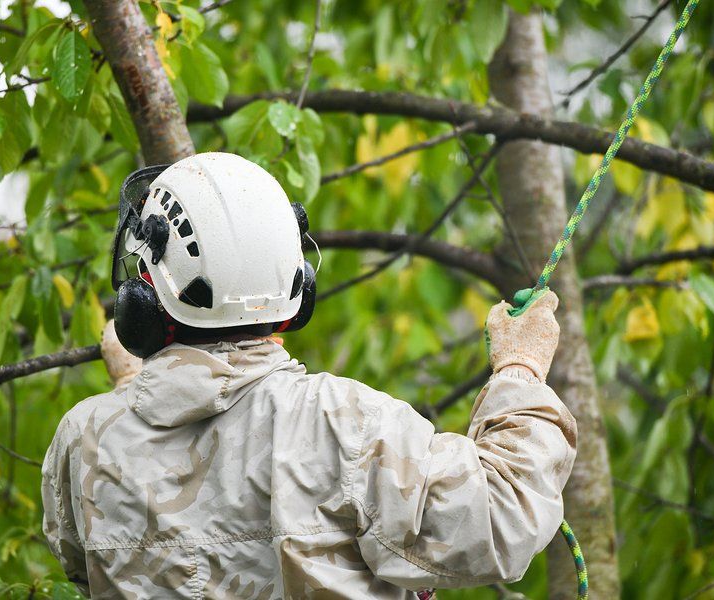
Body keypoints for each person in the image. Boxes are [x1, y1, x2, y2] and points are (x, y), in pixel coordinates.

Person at [41, 152, 577, 599]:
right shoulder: (343, 425)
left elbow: (90, 554)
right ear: (295, 292)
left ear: (145, 294)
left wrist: (131, 390)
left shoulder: (82, 438)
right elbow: (505, 520)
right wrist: (520, 368)